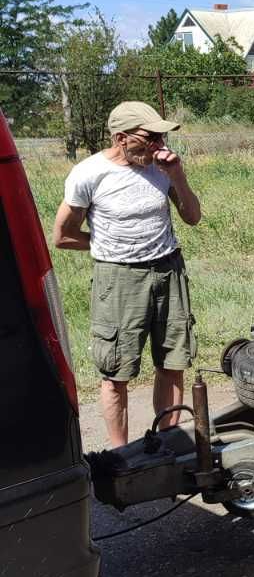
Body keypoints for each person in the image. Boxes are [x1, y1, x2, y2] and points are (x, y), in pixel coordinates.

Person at [53, 101, 202, 448]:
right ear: (121, 138)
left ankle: (167, 447)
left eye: (161, 137)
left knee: (172, 361)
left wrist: (177, 175)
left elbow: (192, 217)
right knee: (116, 372)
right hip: (118, 280)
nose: (159, 145)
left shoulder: (161, 168)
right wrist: (110, 245)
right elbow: (62, 236)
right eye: (151, 137)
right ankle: (122, 456)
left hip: (169, 271)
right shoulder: (88, 174)